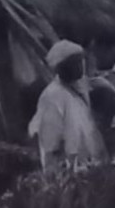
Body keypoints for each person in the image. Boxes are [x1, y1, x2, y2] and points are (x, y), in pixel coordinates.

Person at [29, 39, 108, 171]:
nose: (80, 66)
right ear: (61, 68)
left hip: (89, 167)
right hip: (70, 171)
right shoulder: (52, 96)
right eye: (74, 63)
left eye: (80, 61)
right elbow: (50, 144)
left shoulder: (79, 89)